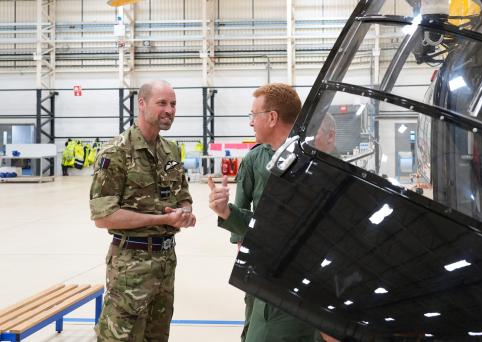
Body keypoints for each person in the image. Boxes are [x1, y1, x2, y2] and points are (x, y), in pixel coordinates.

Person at [208, 83, 317, 342]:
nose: (250, 123)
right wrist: (230, 218)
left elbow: (278, 229)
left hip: (287, 282)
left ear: (272, 117)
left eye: (253, 115)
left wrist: (228, 214)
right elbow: (253, 213)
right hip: (261, 266)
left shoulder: (308, 164)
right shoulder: (262, 159)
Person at [89, 80, 196, 342]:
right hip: (130, 266)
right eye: (162, 103)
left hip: (165, 264)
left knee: (157, 336)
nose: (169, 110)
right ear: (142, 104)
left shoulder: (170, 150)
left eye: (173, 104)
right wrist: (164, 219)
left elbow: (183, 196)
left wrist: (185, 212)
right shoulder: (116, 152)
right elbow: (103, 216)